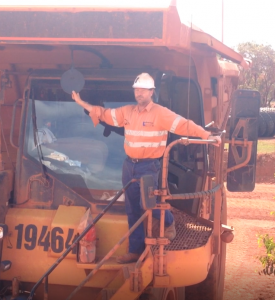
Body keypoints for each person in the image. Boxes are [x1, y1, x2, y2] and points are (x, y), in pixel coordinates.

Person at [71, 73, 221, 264]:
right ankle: (135, 251)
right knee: (132, 208)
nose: (139, 93)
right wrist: (80, 102)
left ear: (151, 92)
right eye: (136, 90)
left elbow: (185, 125)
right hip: (129, 166)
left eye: (143, 90)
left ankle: (168, 222)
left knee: (148, 204)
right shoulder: (128, 112)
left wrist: (207, 135)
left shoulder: (160, 113)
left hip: (148, 166)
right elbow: (103, 113)